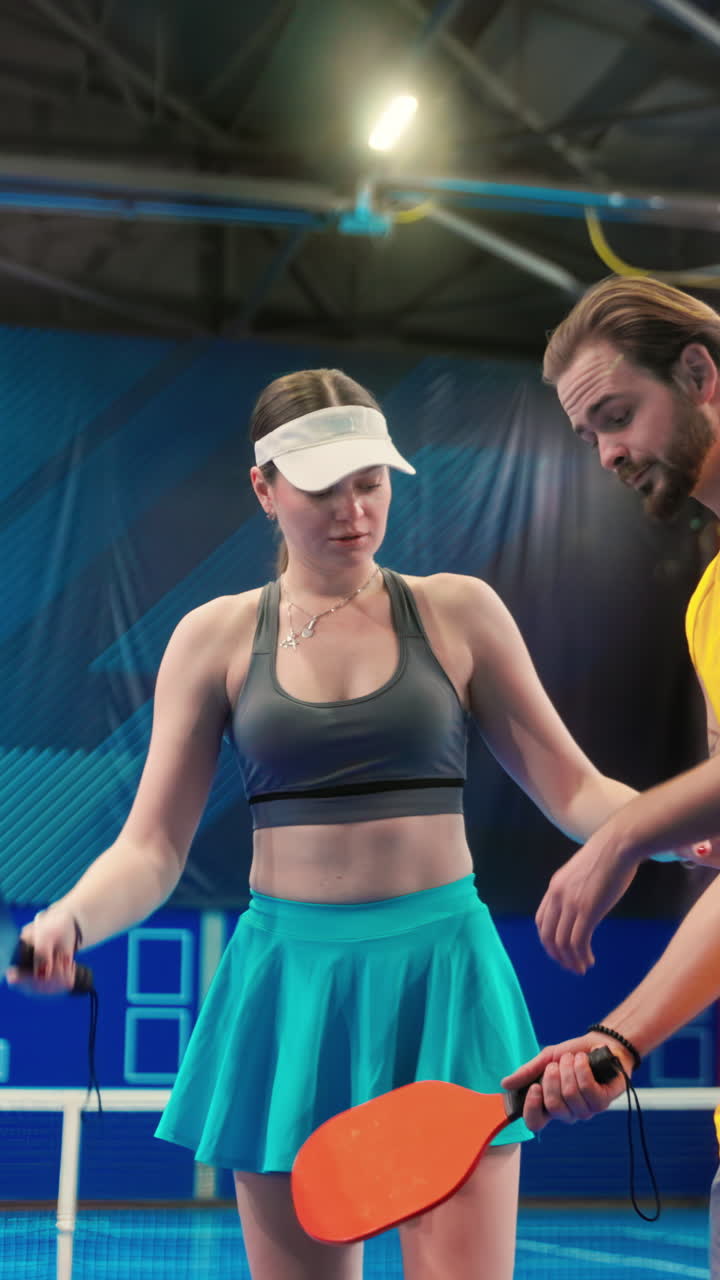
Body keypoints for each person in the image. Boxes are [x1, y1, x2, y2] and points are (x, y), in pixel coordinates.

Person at [7, 366, 679, 1280]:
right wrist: (67, 922)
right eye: (322, 488)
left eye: (370, 483)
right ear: (264, 489)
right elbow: (151, 848)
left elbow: (575, 791)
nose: (352, 510)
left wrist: (674, 828)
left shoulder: (458, 611)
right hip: (287, 992)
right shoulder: (211, 637)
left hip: (444, 979)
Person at [500, 275, 720, 1276]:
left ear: (702, 372)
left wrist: (627, 828)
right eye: (590, 434)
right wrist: (618, 1041)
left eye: (617, 416)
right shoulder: (708, 605)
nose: (610, 455)